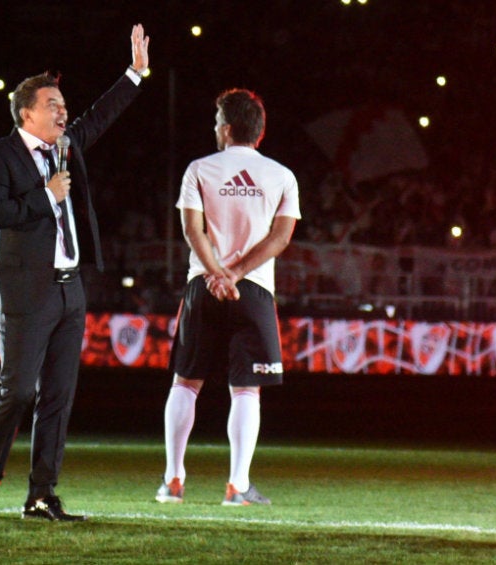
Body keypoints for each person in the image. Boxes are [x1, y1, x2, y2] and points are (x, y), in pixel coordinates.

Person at [0, 24, 149, 522]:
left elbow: (100, 116)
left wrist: (135, 74)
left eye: (64, 105)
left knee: (59, 397)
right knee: (18, 390)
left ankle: (42, 494)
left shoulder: (67, 146)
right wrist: (46, 197)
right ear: (26, 113)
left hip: (70, 289)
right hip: (26, 290)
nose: (64, 112)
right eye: (53, 105)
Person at [156, 89, 300, 506]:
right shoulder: (282, 175)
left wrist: (217, 274)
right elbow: (281, 236)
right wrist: (235, 274)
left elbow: (191, 230)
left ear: (225, 128)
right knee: (246, 389)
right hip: (253, 290)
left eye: (216, 119)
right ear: (260, 131)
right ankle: (237, 486)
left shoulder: (199, 169)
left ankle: (173, 481)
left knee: (185, 382)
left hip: (203, 284)